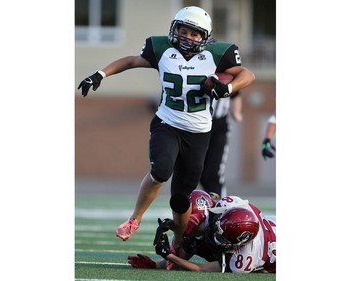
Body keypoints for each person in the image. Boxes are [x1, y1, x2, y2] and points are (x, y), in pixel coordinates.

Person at [77, 6, 256, 256]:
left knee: (181, 198)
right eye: (183, 31)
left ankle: (179, 244)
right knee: (161, 170)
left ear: (204, 36)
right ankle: (135, 218)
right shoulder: (161, 49)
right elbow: (130, 61)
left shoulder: (217, 53)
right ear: (175, 29)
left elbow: (247, 74)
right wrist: (100, 74)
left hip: (199, 133)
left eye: (194, 34)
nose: (187, 37)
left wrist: (227, 88)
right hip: (167, 124)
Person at [129, 192, 276, 273]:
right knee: (198, 233)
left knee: (197, 240)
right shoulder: (235, 205)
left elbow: (202, 268)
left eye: (221, 237)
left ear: (238, 243)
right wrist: (176, 225)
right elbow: (208, 212)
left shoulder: (244, 260)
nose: (214, 235)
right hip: (272, 224)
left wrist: (169, 256)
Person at [199, 93, 243, 198]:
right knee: (193, 170)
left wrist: (236, 111)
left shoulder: (226, 76)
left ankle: (220, 205)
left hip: (218, 125)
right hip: (196, 123)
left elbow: (236, 92)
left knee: (213, 172)